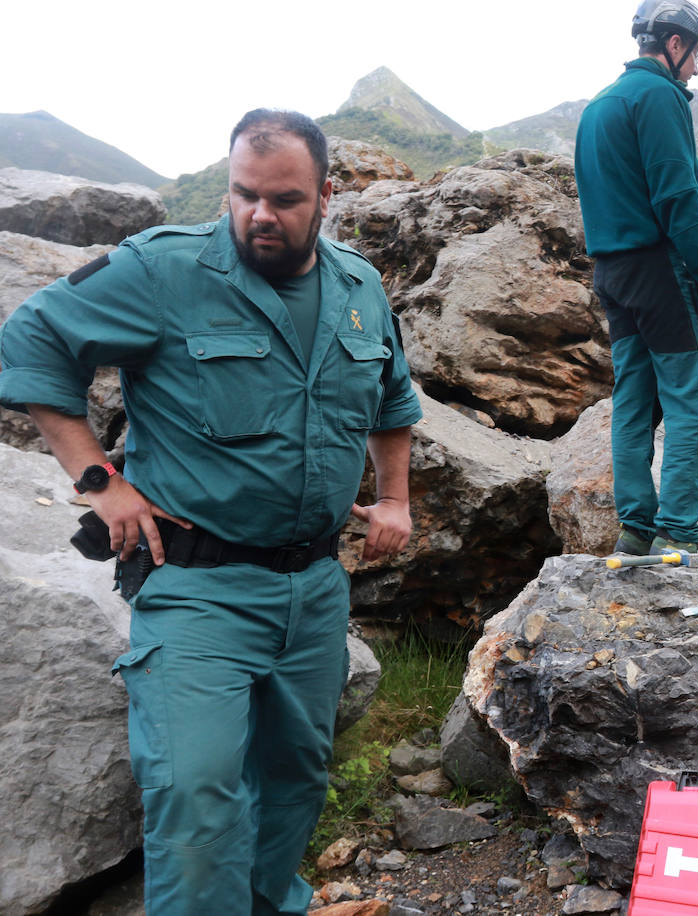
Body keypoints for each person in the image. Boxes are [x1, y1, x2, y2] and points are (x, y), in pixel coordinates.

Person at [0, 109, 423, 915]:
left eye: (285, 199)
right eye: (244, 194)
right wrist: (100, 481)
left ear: (326, 196)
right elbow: (29, 340)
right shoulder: (162, 271)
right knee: (196, 795)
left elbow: (392, 401)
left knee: (295, 779)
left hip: (313, 588)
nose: (260, 214)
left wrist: (395, 497)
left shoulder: (360, 286)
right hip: (196, 585)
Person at [574, 0, 698, 574]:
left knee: (632, 402)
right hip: (661, 272)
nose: (695, 69)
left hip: (612, 275)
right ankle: (680, 536)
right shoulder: (660, 97)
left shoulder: (599, 106)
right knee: (692, 398)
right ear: (675, 45)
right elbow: (678, 198)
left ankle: (634, 532)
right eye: (695, 55)